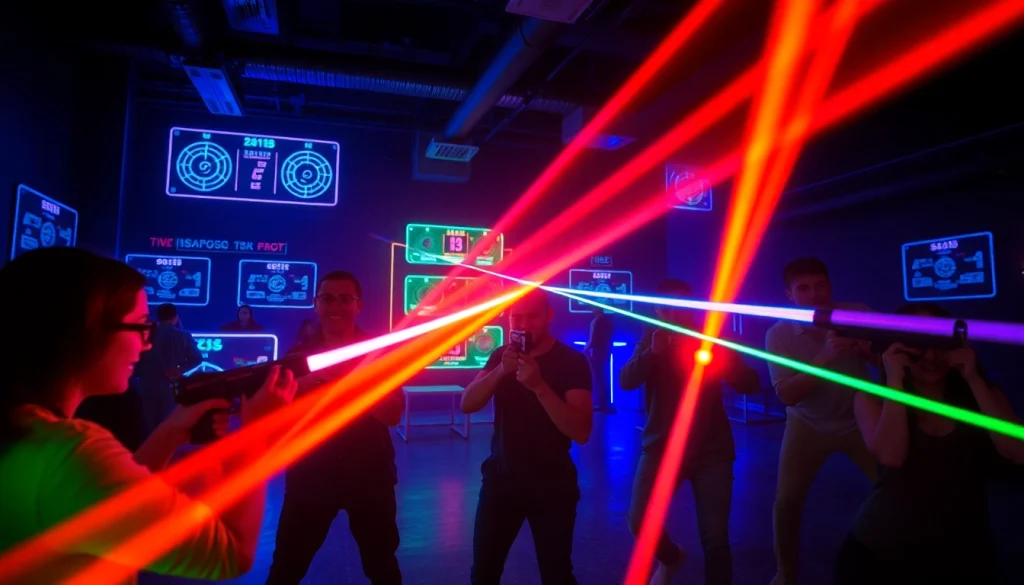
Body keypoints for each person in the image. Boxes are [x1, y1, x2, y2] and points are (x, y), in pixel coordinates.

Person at [0, 248, 297, 584]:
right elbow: (232, 554)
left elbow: (110, 504)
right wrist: (256, 433)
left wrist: (172, 429)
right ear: (86, 331)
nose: (147, 345)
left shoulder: (26, 431)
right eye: (142, 327)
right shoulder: (74, 452)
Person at [834, 303, 1024, 585]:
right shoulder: (870, 398)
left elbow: (1018, 452)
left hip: (963, 552)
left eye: (939, 342)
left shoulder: (983, 394)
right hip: (882, 551)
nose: (931, 356)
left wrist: (974, 380)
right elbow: (892, 456)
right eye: (918, 344)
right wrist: (895, 381)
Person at [266, 271, 405, 585]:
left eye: (345, 299)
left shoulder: (378, 354)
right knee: (286, 567)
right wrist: (305, 386)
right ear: (316, 304)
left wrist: (353, 386)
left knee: (382, 566)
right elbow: (279, 417)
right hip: (310, 477)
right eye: (327, 298)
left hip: (370, 477)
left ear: (359, 305)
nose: (336, 306)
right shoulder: (297, 358)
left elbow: (393, 415)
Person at [620, 279, 761, 585]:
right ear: (656, 310)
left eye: (681, 308)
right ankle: (672, 558)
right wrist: (652, 354)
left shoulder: (711, 338)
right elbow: (626, 381)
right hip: (661, 447)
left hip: (712, 451)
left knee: (715, 538)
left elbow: (750, 384)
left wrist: (723, 362)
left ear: (693, 308)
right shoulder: (651, 339)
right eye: (666, 308)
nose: (674, 315)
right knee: (640, 521)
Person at [461, 289, 593, 585]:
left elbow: (581, 430)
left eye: (531, 317)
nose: (522, 324)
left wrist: (539, 386)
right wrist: (500, 372)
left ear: (548, 316)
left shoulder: (571, 361)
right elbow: (467, 403)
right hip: (501, 480)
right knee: (483, 573)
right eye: (516, 317)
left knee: (556, 575)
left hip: (552, 486)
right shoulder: (501, 356)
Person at [764, 258, 878, 585]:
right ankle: (786, 574)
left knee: (895, 488)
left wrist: (865, 351)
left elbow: (891, 361)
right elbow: (787, 395)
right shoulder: (779, 333)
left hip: (860, 419)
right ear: (789, 295)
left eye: (821, 285)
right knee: (787, 501)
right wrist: (826, 356)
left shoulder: (858, 313)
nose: (814, 294)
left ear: (830, 286)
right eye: (803, 288)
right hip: (807, 425)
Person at [134, 303, 203, 439]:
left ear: (158, 317)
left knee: (146, 427)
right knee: (167, 425)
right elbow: (197, 358)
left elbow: (136, 359)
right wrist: (179, 369)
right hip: (170, 387)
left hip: (146, 385)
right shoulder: (183, 336)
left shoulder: (146, 335)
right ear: (175, 317)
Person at [584, 306, 615, 413]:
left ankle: (601, 404)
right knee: (602, 378)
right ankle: (603, 404)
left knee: (599, 379)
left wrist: (585, 349)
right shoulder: (608, 321)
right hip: (605, 352)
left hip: (597, 353)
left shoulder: (596, 322)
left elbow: (593, 340)